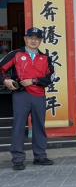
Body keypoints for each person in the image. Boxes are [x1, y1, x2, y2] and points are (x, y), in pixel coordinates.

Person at [0, 27, 55, 170]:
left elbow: (50, 78)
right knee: (18, 126)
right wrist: (5, 80)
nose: (33, 41)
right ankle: (18, 159)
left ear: (41, 41)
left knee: (39, 126)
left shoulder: (45, 58)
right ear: (25, 39)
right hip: (21, 95)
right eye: (31, 38)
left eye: (37, 38)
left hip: (39, 95)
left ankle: (40, 156)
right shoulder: (16, 54)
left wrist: (34, 81)